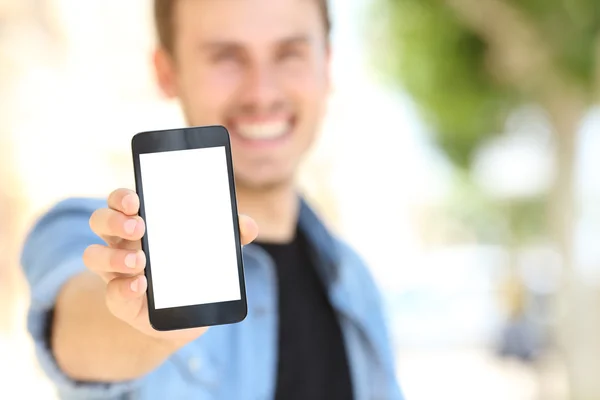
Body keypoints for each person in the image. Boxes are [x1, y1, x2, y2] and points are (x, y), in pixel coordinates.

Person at [20, 0, 403, 399]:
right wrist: (139, 321)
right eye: (226, 57)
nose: (262, 93)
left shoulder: (355, 280)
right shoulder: (95, 231)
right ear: (168, 73)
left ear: (326, 65)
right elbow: (76, 329)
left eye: (289, 53)